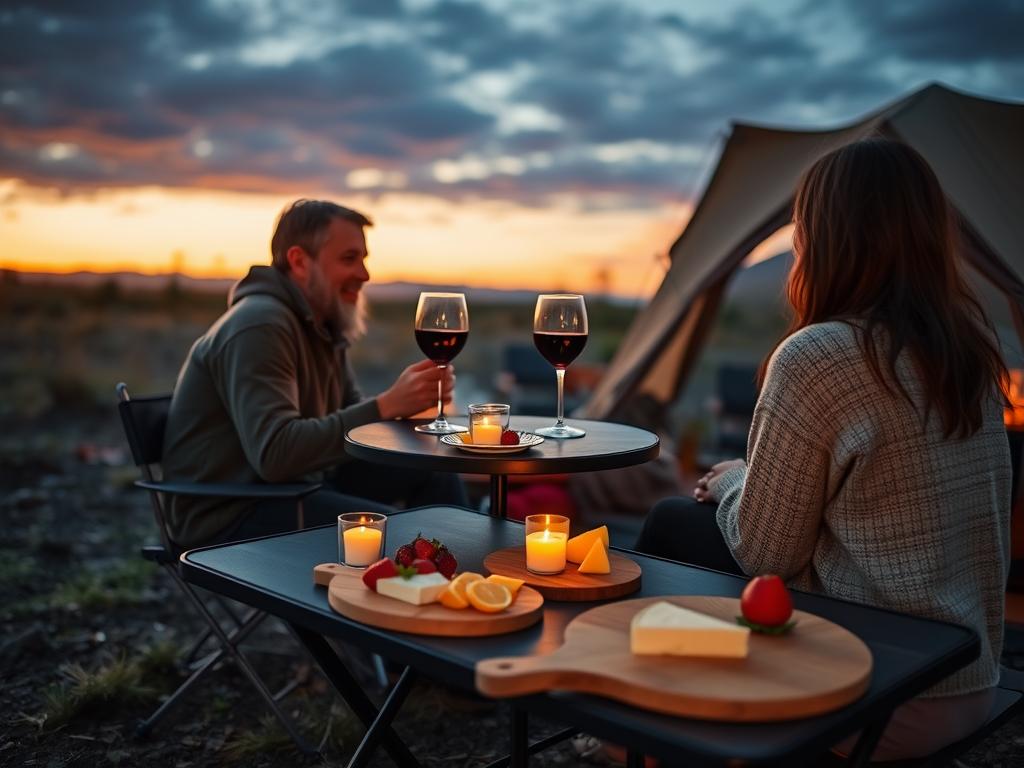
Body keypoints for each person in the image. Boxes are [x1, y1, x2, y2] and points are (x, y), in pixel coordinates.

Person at [634, 138, 1011, 761]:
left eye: (800, 228)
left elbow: (766, 553)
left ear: (824, 237)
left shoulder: (822, 355)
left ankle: (643, 732)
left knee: (674, 522)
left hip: (877, 689)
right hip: (968, 678)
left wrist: (733, 480)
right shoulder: (967, 351)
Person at [161, 199, 467, 549]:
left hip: (298, 486)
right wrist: (385, 405)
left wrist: (406, 407)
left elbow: (352, 419)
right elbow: (275, 455)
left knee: (434, 479)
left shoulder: (321, 325)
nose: (365, 274)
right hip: (230, 512)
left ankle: (471, 587)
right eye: (349, 259)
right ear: (299, 262)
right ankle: (440, 589)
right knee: (400, 535)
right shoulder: (260, 325)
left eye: (364, 260)